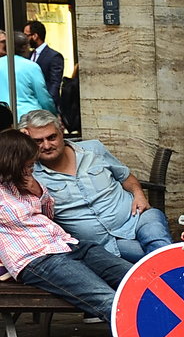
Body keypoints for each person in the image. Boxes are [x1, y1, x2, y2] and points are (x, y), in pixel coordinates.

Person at [0, 128, 131, 321]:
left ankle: (183, 326)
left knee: (137, 278)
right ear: (12, 163)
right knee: (109, 301)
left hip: (68, 245)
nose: (31, 170)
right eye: (27, 166)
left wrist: (38, 191)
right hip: (37, 259)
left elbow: (49, 215)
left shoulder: (23, 182)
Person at [19, 110, 173, 263]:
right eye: (37, 141)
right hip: (105, 244)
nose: (46, 145)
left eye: (52, 137)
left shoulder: (93, 149)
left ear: (61, 131)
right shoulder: (30, 175)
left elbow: (124, 176)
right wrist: (18, 140)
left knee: (157, 239)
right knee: (158, 257)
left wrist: (139, 194)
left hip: (137, 217)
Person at [0, 31, 56, 120]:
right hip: (29, 117)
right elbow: (43, 97)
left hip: (4, 117)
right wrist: (53, 114)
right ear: (24, 47)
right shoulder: (32, 66)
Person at [23, 20, 64, 108]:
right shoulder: (28, 55)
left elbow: (55, 83)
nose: (24, 39)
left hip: (45, 106)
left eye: (26, 35)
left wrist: (48, 104)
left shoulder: (54, 56)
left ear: (35, 36)